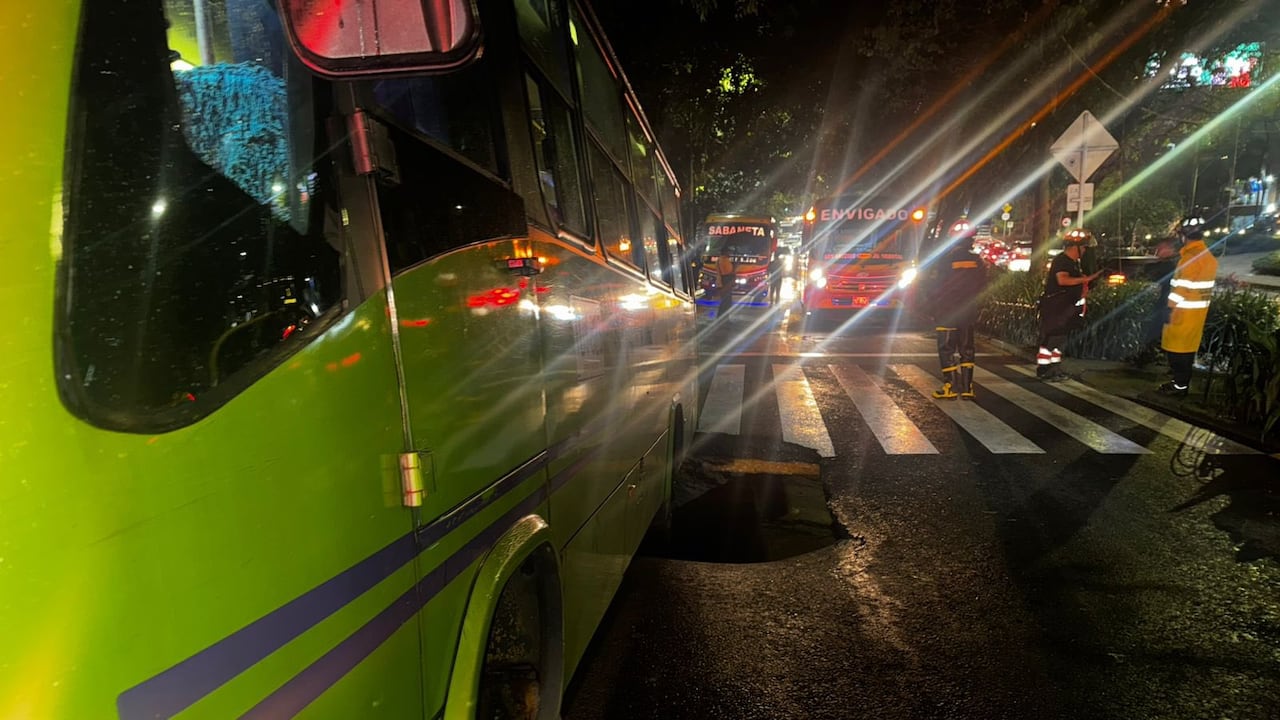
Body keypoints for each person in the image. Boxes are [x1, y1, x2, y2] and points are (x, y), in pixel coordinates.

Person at [928, 219, 988, 399]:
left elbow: (935, 286)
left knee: (946, 348)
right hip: (968, 312)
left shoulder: (945, 260)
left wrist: (931, 307)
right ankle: (968, 387)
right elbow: (983, 285)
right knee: (967, 348)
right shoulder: (977, 261)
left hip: (947, 312)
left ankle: (950, 386)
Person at [1159, 216, 1218, 396]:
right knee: (1186, 350)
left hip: (1181, 312)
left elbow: (1181, 287)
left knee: (1177, 352)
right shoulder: (1207, 257)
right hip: (1197, 314)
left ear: (1184, 235)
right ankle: (1180, 384)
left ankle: (1179, 387)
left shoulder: (1190, 258)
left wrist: (1169, 308)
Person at [1036, 228, 1103, 381]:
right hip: (1057, 309)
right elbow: (1063, 280)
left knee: (1059, 341)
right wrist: (1085, 279)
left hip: (1065, 309)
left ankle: (1053, 368)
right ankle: (1046, 369)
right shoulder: (1062, 261)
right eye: (1084, 248)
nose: (1086, 251)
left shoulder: (1073, 263)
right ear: (1076, 248)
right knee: (1053, 339)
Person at [715, 244, 738, 322]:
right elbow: (727, 273)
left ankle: (722, 318)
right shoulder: (723, 260)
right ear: (725, 252)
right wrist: (735, 268)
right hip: (725, 283)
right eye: (728, 252)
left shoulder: (722, 259)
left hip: (724, 283)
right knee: (726, 303)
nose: (730, 253)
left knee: (725, 302)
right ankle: (723, 319)